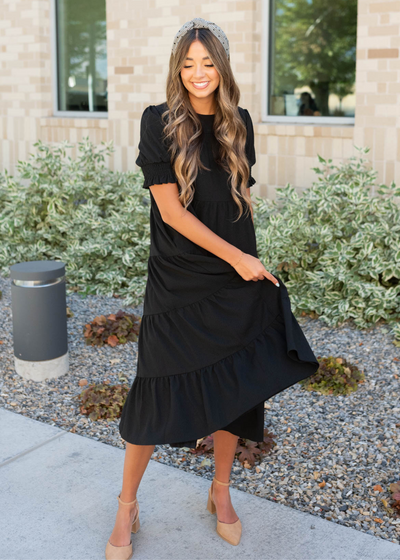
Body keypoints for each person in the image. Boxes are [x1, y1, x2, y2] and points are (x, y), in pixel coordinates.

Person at [105, 17, 319, 560]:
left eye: (208, 63)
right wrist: (237, 257)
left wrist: (246, 261)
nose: (198, 74)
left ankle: (220, 492)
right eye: (188, 63)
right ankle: (127, 504)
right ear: (178, 68)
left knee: (234, 384)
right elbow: (172, 212)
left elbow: (237, 199)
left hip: (234, 276)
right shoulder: (158, 121)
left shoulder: (239, 122)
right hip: (179, 277)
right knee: (154, 388)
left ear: (221, 67)